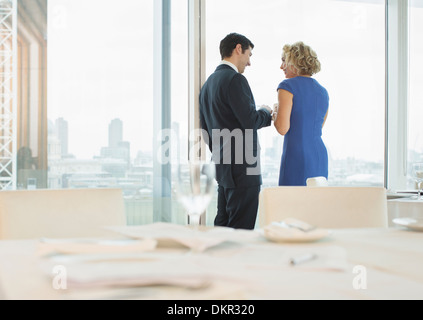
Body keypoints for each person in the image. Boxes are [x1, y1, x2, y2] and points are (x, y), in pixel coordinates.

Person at [199, 32, 273, 230]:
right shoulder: (235, 80)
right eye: (249, 55)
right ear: (238, 49)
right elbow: (251, 121)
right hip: (243, 169)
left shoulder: (208, 85)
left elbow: (205, 129)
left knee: (222, 228)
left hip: (222, 169)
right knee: (241, 233)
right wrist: (267, 112)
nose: (249, 63)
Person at [273, 41, 329, 186]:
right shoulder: (323, 92)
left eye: (284, 61)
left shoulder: (287, 86)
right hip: (319, 156)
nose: (281, 66)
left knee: (292, 204)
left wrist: (275, 113)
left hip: (296, 156)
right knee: (314, 204)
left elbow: (282, 128)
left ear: (294, 62)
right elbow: (317, 127)